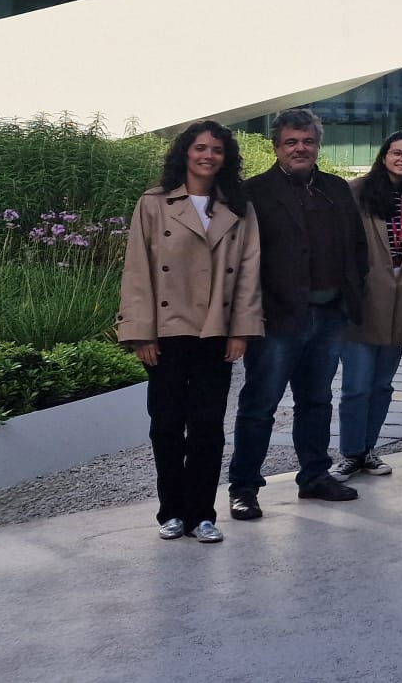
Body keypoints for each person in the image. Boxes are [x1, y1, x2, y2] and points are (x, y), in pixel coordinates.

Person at [118, 120, 262, 544]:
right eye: (200, 148)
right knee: (165, 423)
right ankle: (171, 511)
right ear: (184, 152)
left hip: (215, 331)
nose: (208, 156)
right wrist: (140, 333)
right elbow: (137, 272)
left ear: (226, 157)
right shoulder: (154, 203)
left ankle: (202, 513)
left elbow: (250, 272)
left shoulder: (239, 205)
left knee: (207, 425)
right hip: (165, 330)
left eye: (217, 150)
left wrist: (242, 331)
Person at [229, 107, 368, 518]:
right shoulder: (253, 192)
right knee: (260, 404)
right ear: (276, 147)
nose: (300, 148)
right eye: (291, 141)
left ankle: (313, 477)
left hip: (328, 317)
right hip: (277, 319)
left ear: (317, 145)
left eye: (307, 141)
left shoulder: (337, 189)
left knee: (317, 400)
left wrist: (350, 295)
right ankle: (244, 488)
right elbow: (240, 259)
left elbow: (357, 248)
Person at [330, 132, 402, 484]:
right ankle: (350, 453)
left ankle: (368, 449)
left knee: (383, 384)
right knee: (356, 385)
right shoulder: (357, 191)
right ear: (384, 155)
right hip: (363, 298)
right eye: (397, 153)